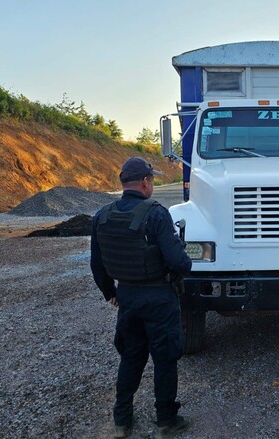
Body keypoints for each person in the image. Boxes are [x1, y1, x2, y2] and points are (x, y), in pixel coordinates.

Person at [90, 157, 192, 439]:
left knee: (131, 358)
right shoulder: (157, 214)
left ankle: (122, 421)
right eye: (153, 180)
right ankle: (165, 422)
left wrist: (110, 292)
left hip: (128, 298)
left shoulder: (103, 215)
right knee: (164, 359)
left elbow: (96, 264)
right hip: (159, 297)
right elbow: (179, 262)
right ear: (145, 182)